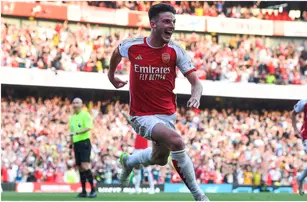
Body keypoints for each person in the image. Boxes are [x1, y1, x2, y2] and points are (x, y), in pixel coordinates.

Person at [107, 3, 208, 201]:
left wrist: (196, 95)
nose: (171, 25)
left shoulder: (175, 51)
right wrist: (111, 75)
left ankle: (129, 162)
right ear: (153, 24)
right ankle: (200, 196)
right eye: (167, 21)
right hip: (141, 115)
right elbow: (117, 52)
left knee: (160, 159)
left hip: (166, 114)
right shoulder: (134, 45)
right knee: (177, 141)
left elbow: (196, 83)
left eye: (173, 22)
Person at [69, 98, 96, 198]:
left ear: (81, 104)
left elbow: (88, 127)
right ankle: (84, 191)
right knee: (80, 167)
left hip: (84, 142)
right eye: (74, 103)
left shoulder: (85, 115)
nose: (75, 104)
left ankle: (93, 190)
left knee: (85, 165)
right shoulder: (71, 118)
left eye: (77, 103)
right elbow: (71, 132)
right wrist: (70, 144)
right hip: (76, 143)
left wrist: (76, 133)